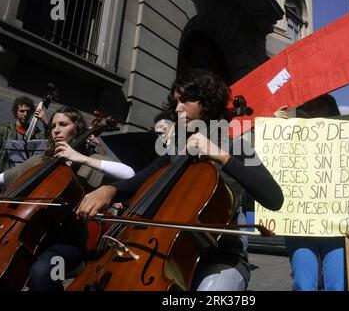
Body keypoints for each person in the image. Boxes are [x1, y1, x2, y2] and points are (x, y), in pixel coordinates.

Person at [76, 68, 284, 291]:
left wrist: (221, 155)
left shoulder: (238, 148)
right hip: (164, 251)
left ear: (208, 102)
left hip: (221, 256)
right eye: (176, 102)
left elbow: (274, 198)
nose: (178, 109)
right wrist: (109, 190)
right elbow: (140, 182)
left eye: (185, 100)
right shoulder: (176, 150)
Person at [0, 106, 135, 290]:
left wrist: (81, 158)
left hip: (68, 242)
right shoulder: (40, 161)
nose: (55, 129)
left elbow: (130, 174)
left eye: (63, 124)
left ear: (77, 129)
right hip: (27, 235)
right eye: (53, 125)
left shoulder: (91, 162)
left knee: (42, 273)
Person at [275, 94, 347, 291]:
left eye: (319, 106)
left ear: (332, 111)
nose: (313, 111)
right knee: (303, 284)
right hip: (300, 224)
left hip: (337, 226)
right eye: (310, 107)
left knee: (338, 285)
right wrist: (276, 128)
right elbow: (275, 165)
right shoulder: (293, 137)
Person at [0, 96, 48, 177]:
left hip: (24, 177)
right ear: (16, 112)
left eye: (28, 111)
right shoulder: (4, 130)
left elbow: (50, 142)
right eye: (22, 111)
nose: (25, 114)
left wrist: (46, 122)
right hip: (4, 175)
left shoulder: (37, 135)